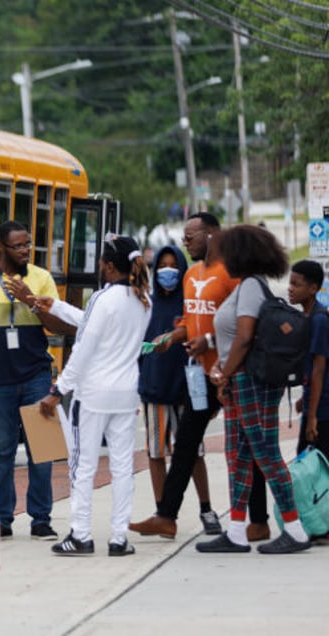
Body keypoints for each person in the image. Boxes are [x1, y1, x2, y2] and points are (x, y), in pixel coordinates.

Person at [130, 213, 272, 541]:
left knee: (248, 443)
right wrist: (173, 338)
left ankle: (259, 520)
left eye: (191, 236)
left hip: (231, 371)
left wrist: (209, 343)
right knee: (186, 444)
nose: (185, 242)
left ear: (211, 235)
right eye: (184, 236)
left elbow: (244, 325)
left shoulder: (233, 275)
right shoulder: (191, 275)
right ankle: (166, 516)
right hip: (201, 375)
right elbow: (191, 322)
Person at [197, 225, 310, 554]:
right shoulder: (247, 286)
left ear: (242, 254)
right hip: (240, 381)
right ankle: (235, 530)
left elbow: (245, 336)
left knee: (266, 455)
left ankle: (295, 528)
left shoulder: (249, 287)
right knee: (238, 456)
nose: (223, 259)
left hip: (250, 383)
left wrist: (224, 374)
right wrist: (226, 374)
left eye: (228, 252)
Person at [0, 220, 74, 541]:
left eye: (28, 245)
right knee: (2, 450)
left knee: (43, 449)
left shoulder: (42, 279)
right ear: (0, 246)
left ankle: (41, 518)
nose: (25, 251)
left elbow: (59, 325)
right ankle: (1, 519)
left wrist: (31, 301)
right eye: (18, 246)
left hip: (37, 375)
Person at [38, 235, 151, 556]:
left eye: (102, 261)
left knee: (83, 466)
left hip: (94, 394)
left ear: (110, 266)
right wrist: (56, 306)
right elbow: (92, 326)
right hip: (127, 393)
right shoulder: (144, 299)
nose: (99, 265)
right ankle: (119, 538)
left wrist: (58, 390)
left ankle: (81, 534)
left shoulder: (103, 300)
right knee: (121, 466)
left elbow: (85, 348)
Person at [138, 245, 221, 534]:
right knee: (156, 453)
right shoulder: (146, 303)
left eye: (174, 266)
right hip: (154, 388)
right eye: (162, 266)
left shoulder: (192, 300)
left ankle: (207, 509)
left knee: (193, 453)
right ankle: (164, 513)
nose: (168, 272)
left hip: (188, 388)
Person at [288, 259, 329, 460]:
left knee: (314, 463)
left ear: (313, 288)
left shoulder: (319, 320)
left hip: (323, 410)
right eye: (290, 283)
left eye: (296, 285)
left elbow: (319, 370)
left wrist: (312, 416)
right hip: (313, 403)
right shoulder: (305, 316)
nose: (290, 289)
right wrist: (304, 399)